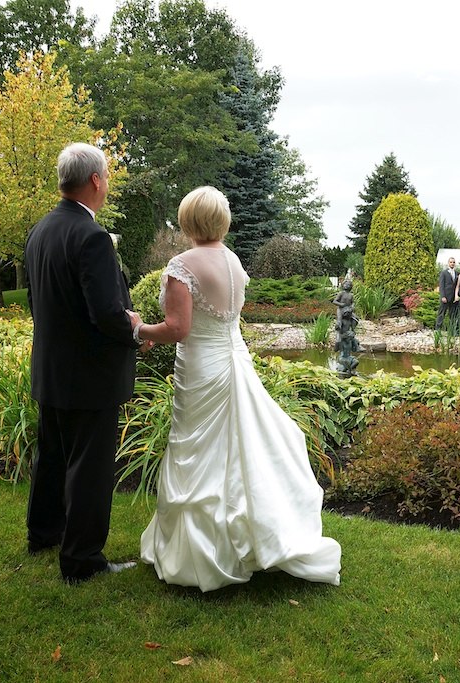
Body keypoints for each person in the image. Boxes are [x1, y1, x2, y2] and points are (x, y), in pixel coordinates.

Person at [134, 186, 341, 591]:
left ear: (188, 219)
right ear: (222, 220)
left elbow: (178, 330)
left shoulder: (182, 265)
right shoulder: (233, 261)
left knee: (199, 451)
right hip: (234, 360)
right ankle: (243, 539)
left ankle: (200, 557)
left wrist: (138, 328)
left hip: (202, 367)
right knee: (234, 449)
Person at [24, 142, 140, 583]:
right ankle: (81, 559)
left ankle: (44, 533)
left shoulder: (41, 229)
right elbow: (106, 313)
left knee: (52, 456)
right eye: (107, 178)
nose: (107, 185)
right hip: (89, 375)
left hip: (51, 368)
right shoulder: (91, 236)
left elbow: (38, 302)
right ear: (95, 180)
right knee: (89, 467)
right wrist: (133, 326)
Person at [435, 256, 458, 330]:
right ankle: (438, 329)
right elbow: (441, 285)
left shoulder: (457, 273)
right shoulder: (444, 273)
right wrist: (442, 296)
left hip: (453, 298)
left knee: (452, 314)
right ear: (448, 263)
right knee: (442, 313)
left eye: (453, 262)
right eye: (451, 262)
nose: (452, 263)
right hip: (445, 297)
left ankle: (451, 330)